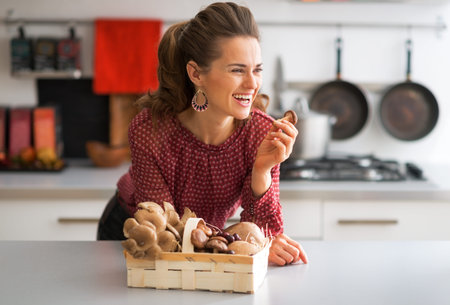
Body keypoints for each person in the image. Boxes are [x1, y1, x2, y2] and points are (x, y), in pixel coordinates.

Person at [97, 1, 308, 266]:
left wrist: (262, 170)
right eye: (237, 70)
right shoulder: (149, 131)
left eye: (257, 69)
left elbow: (261, 233)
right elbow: (168, 234)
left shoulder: (261, 133)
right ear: (196, 73)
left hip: (206, 240)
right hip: (134, 233)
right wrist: (240, 241)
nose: (252, 83)